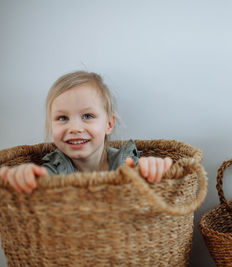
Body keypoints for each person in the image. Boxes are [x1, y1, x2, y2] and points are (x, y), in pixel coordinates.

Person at [0, 71, 172, 194]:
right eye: (62, 118)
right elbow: (40, 185)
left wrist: (152, 168)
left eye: (87, 116)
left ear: (109, 124)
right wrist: (26, 176)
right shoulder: (54, 168)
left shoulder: (126, 162)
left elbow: (149, 193)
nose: (74, 128)